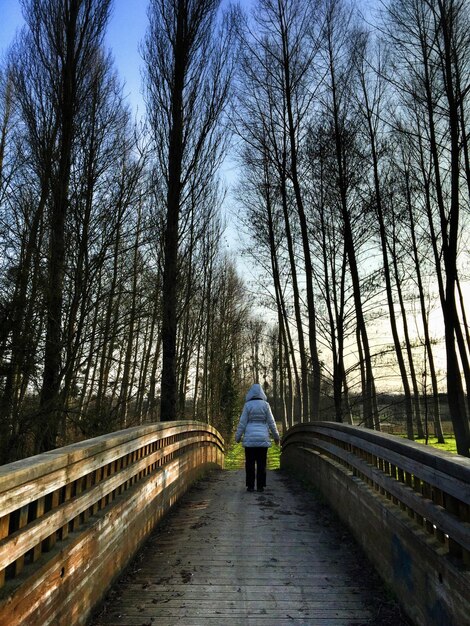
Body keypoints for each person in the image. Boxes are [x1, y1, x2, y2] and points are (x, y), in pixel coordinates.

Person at [235, 383, 280, 492]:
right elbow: (271, 422)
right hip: (262, 439)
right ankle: (260, 486)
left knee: (250, 463)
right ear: (262, 393)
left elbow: (242, 423)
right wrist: (276, 437)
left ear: (250, 393)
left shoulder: (247, 405)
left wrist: (238, 437)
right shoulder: (266, 405)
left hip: (250, 440)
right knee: (261, 463)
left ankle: (250, 486)